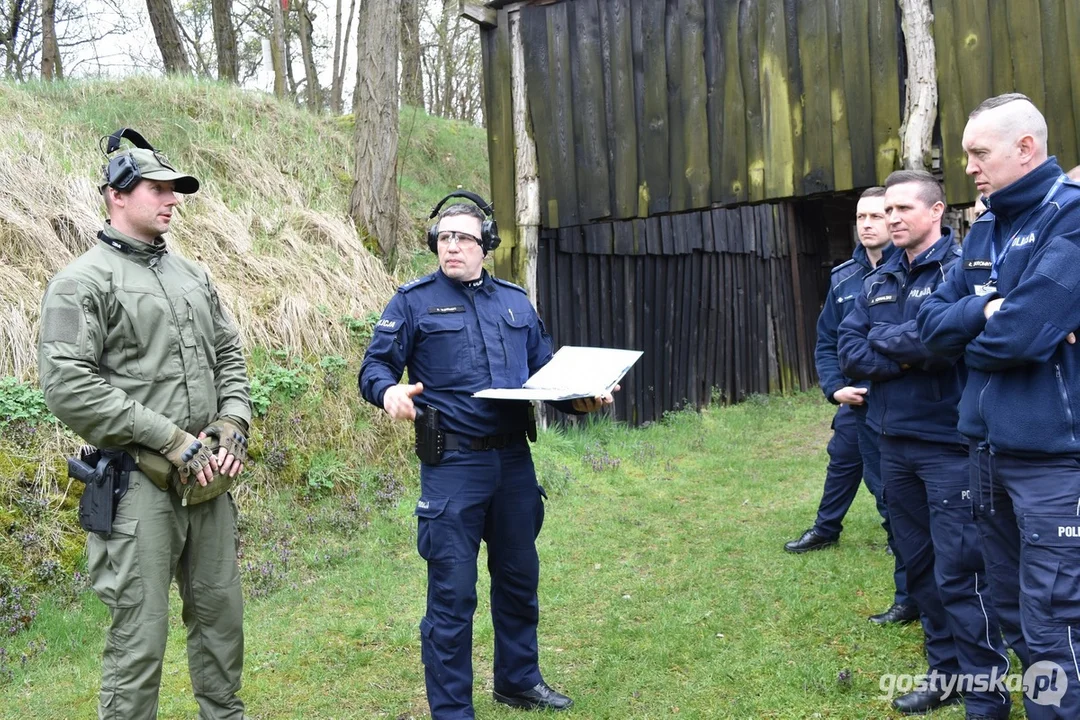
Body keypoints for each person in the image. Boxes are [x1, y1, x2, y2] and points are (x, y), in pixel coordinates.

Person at [358, 192, 615, 719]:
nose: (451, 247)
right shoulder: (411, 301)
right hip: (453, 468)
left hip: (514, 465)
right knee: (452, 597)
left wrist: (583, 399)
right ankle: (453, 711)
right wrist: (389, 393)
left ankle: (518, 682)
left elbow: (549, 377)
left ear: (487, 245)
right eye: (443, 237)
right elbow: (374, 368)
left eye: (463, 238)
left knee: (519, 579)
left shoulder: (517, 302)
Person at [37, 130, 251, 720]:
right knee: (139, 640)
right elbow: (68, 386)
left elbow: (229, 355)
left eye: (176, 191)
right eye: (158, 189)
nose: (172, 200)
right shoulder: (81, 282)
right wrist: (172, 439)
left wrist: (233, 422)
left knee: (221, 621)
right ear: (116, 195)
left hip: (209, 485)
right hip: (138, 491)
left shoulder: (192, 275)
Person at [918, 93, 1080, 719]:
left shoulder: (1070, 218)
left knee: (1055, 627)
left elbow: (1021, 334)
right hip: (985, 455)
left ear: (1025, 148)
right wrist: (982, 315)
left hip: (1054, 468)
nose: (969, 167)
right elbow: (929, 324)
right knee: (1012, 610)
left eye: (978, 153)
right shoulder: (984, 225)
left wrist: (975, 334)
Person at [839, 170, 1010, 718]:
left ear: (936, 211)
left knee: (962, 569)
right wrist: (914, 344)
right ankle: (945, 673)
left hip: (948, 445)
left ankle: (987, 691)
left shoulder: (962, 273)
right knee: (917, 567)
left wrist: (896, 345)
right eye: (886, 211)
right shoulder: (873, 280)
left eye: (902, 209)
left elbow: (952, 345)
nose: (891, 219)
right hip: (891, 443)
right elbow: (850, 351)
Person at [784, 187, 916, 624]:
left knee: (893, 497)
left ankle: (909, 592)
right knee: (841, 462)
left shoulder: (910, 270)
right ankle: (826, 527)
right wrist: (836, 388)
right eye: (861, 216)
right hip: (853, 402)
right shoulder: (843, 277)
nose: (867, 223)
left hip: (896, 405)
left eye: (876, 215)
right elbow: (827, 341)